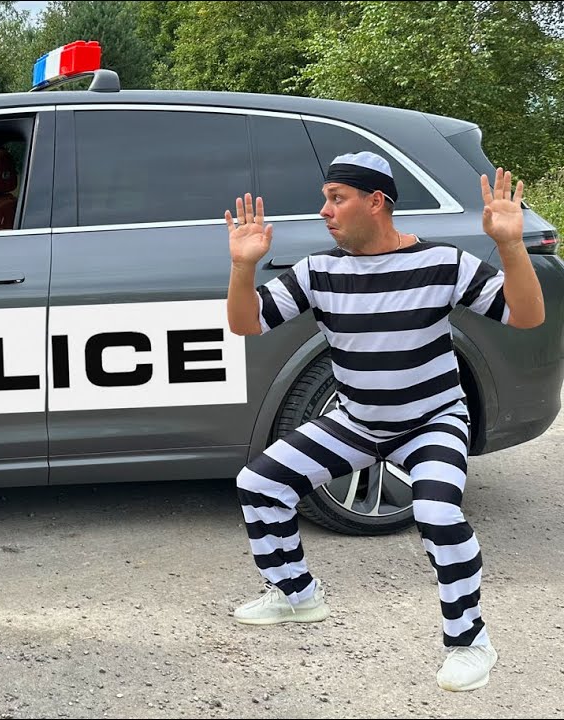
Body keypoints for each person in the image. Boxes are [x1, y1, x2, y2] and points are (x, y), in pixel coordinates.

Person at [224, 151, 545, 691]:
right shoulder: (319, 271)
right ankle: (297, 595)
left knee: (437, 514)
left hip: (432, 422)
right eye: (325, 198)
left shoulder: (443, 263)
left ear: (376, 202)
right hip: (356, 422)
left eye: (337, 198)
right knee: (260, 484)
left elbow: (527, 315)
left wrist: (511, 245)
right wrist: (242, 266)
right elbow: (246, 323)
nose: (324, 210)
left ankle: (470, 642)